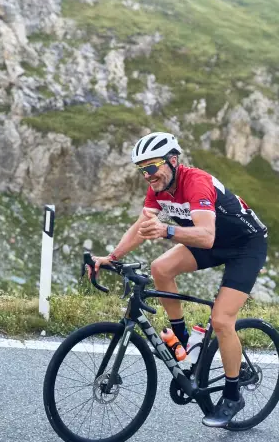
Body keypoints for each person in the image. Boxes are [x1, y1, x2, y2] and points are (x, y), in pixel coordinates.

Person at [88, 131, 268, 428]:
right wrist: (113, 256)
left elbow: (206, 236)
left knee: (222, 320)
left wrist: (167, 231)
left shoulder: (195, 182)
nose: (146, 175)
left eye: (151, 167)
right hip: (213, 241)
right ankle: (183, 342)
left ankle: (233, 395)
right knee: (161, 268)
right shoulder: (159, 188)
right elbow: (141, 226)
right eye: (141, 169)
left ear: (172, 160)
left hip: (245, 246)